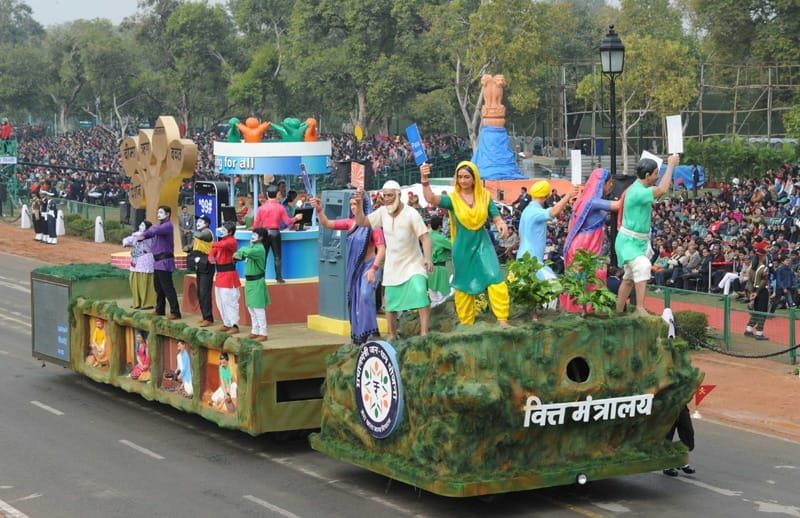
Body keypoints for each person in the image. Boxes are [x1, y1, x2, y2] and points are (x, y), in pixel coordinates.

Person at [421, 161, 511, 326]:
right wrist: (424, 179)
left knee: (495, 278)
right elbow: (430, 198)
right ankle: (466, 322)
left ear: (474, 178)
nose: (462, 180)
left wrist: (501, 224)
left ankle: (502, 319)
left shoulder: (484, 196)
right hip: (462, 248)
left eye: (466, 177)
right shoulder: (453, 200)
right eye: (460, 177)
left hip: (483, 244)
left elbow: (496, 217)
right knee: (463, 284)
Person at [352, 181, 432, 339]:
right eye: (384, 195)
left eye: (390, 195)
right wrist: (359, 204)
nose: (386, 198)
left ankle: (424, 333)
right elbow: (362, 222)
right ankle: (393, 335)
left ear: (398, 195)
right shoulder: (382, 212)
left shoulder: (411, 213)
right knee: (390, 303)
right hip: (392, 267)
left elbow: (425, 238)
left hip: (413, 264)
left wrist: (427, 258)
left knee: (420, 291)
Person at [313, 194, 386, 344]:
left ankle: (371, 332)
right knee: (355, 300)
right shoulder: (349, 223)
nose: (353, 207)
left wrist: (374, 268)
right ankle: (358, 336)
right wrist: (318, 209)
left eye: (356, 204)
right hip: (354, 270)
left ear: (364, 205)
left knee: (365, 296)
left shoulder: (373, 225)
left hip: (370, 266)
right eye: (351, 204)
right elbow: (326, 223)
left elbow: (382, 249)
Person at [614, 154, 679, 317]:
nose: (657, 176)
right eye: (656, 173)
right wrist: (670, 166)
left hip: (639, 241)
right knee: (643, 266)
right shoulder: (637, 192)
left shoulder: (640, 188)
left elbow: (662, 191)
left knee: (629, 278)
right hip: (628, 241)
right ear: (648, 175)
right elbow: (662, 190)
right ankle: (640, 308)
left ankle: (619, 311)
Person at [560, 168, 620, 312]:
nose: (611, 186)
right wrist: (634, 190)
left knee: (590, 278)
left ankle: (586, 310)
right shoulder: (592, 202)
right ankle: (580, 312)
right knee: (582, 281)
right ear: (601, 184)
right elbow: (618, 206)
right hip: (583, 246)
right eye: (610, 183)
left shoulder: (583, 201)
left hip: (587, 245)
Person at [517, 179, 578, 273]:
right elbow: (553, 212)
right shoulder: (535, 211)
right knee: (552, 283)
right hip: (531, 259)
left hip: (523, 256)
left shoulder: (526, 211)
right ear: (547, 196)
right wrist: (568, 196)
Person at [252, 185, 303, 282]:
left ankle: (261, 276)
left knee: (263, 256)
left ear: (267, 195)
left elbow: (255, 225)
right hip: (275, 232)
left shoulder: (261, 208)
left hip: (264, 233)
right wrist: (296, 218)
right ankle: (279, 277)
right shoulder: (280, 208)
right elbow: (288, 222)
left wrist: (255, 235)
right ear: (277, 195)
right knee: (277, 256)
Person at [139, 206, 181, 320]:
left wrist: (145, 234)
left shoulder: (167, 226)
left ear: (168, 214)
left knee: (168, 287)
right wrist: (144, 235)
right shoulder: (160, 226)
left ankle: (175, 311)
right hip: (157, 261)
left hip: (164, 261)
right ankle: (160, 309)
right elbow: (152, 231)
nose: (158, 214)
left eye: (161, 212)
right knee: (158, 287)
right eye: (158, 212)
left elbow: (154, 230)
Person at [233, 227, 270, 341]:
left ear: (261, 238)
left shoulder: (259, 249)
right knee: (251, 308)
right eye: (252, 234)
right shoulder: (252, 247)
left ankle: (263, 332)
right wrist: (240, 253)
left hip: (257, 281)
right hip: (249, 281)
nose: (252, 236)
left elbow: (244, 252)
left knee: (258, 308)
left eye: (255, 235)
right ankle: (255, 330)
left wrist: (241, 251)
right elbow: (239, 254)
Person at [209, 221, 240, 334]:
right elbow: (213, 251)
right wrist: (211, 256)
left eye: (224, 230)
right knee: (220, 301)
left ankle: (234, 324)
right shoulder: (221, 242)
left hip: (229, 275)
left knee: (230, 301)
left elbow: (222, 245)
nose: (221, 232)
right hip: (220, 275)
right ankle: (226, 323)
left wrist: (211, 243)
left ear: (230, 232)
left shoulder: (232, 241)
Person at [184, 215, 214, 326]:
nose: (198, 223)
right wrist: (188, 248)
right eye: (198, 221)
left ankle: (208, 318)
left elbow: (201, 236)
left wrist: (190, 230)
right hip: (199, 263)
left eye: (201, 221)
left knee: (204, 292)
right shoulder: (197, 235)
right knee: (200, 292)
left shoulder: (207, 232)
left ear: (206, 224)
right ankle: (204, 316)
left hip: (207, 263)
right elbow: (193, 245)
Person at [122, 220, 156, 310]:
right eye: (140, 224)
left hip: (145, 259)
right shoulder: (135, 235)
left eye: (143, 225)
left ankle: (147, 303)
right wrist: (126, 243)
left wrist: (141, 237)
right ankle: (137, 302)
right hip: (135, 260)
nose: (141, 226)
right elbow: (127, 240)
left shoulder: (150, 236)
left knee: (144, 281)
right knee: (134, 279)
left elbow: (148, 244)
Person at [662, 405, 696, 476]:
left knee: (688, 433)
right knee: (667, 437)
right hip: (667, 409)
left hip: (681, 406)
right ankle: (667, 466)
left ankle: (680, 460)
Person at [427, 215, 452, 306]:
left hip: (429, 269)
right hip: (439, 269)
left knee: (433, 298)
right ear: (440, 226)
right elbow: (453, 246)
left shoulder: (427, 236)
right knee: (442, 299)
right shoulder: (440, 238)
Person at [745, 249, 770, 340]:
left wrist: (752, 292)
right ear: (762, 256)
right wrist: (757, 292)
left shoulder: (752, 267)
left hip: (754, 289)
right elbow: (764, 281)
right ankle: (759, 332)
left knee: (756, 311)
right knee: (762, 312)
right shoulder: (764, 268)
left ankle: (749, 329)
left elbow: (750, 281)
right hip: (762, 291)